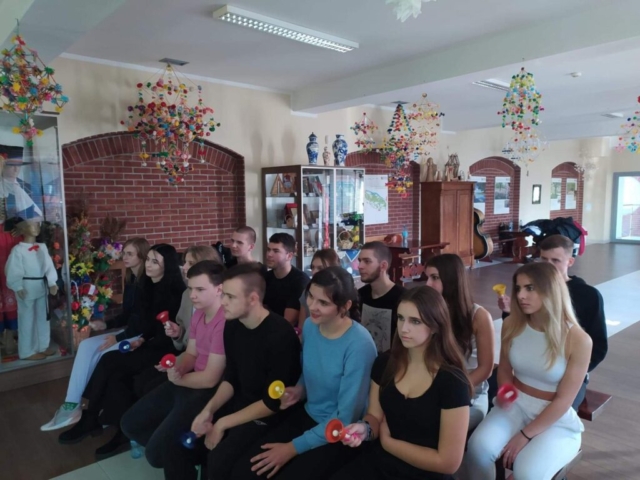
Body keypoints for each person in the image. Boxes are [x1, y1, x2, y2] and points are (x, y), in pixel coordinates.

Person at [228, 266, 377, 479]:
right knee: (244, 470)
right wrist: (299, 390)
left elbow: (346, 417)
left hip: (338, 432)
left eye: (323, 303)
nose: (312, 306)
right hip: (308, 415)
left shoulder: (359, 345)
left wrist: (291, 448)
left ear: (345, 306)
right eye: (311, 297)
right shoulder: (310, 326)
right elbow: (310, 372)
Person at [58, 244, 185, 459]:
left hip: (165, 349)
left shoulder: (175, 291)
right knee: (116, 375)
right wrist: (140, 339)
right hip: (149, 342)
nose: (149, 264)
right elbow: (146, 323)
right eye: (149, 259)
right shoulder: (147, 285)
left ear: (168, 266)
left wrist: (139, 339)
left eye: (155, 261)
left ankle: (91, 418)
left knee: (109, 360)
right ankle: (117, 427)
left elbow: (167, 331)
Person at [331, 286, 472, 480]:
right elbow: (374, 416)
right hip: (381, 463)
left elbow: (448, 462)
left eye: (415, 321)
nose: (404, 328)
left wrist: (389, 444)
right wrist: (364, 429)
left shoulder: (453, 382)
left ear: (435, 326)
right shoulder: (384, 363)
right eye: (400, 318)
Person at [467, 262, 592, 480]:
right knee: (478, 449)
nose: (521, 295)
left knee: (527, 472)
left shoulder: (578, 339)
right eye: (518, 288)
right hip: (516, 404)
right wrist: (506, 394)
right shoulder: (512, 325)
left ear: (551, 290)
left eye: (530, 288)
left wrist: (525, 435)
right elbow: (505, 370)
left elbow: (564, 400)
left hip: (555, 416)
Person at [186, 263, 301, 480]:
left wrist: (222, 423)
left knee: (219, 460)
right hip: (241, 402)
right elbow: (231, 376)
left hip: (269, 414)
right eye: (223, 294)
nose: (223, 302)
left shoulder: (280, 336)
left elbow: (272, 402)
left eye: (230, 297)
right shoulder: (233, 324)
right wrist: (208, 410)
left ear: (253, 299)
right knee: (188, 443)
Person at [121, 260, 227, 480]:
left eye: (200, 289)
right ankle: (184, 452)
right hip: (189, 381)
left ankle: (194, 454)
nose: (192, 295)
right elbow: (191, 354)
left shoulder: (224, 320)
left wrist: (178, 379)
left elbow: (210, 379)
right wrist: (179, 369)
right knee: (130, 424)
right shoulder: (199, 314)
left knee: (156, 455)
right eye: (191, 288)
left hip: (208, 391)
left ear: (219, 289)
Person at [41, 238, 150, 431]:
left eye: (130, 254)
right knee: (85, 345)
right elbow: (127, 315)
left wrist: (117, 337)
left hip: (141, 335)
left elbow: (143, 321)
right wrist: (106, 324)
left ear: (142, 256)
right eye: (124, 253)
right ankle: (71, 404)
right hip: (128, 331)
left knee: (102, 352)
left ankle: (96, 410)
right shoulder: (131, 280)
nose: (124, 257)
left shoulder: (148, 283)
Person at [497, 234, 607, 409]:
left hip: (567, 372)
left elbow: (598, 345)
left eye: (555, 260)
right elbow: (519, 330)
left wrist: (573, 371)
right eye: (544, 259)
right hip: (532, 368)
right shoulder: (529, 289)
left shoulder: (588, 295)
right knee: (499, 402)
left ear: (570, 262)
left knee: (557, 411)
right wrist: (509, 312)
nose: (548, 266)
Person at [425, 254, 494, 430]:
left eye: (435, 278)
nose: (428, 284)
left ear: (452, 280)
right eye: (427, 277)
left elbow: (485, 368)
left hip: (470, 392)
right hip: (433, 387)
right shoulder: (430, 312)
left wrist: (454, 391)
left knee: (436, 426)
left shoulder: (479, 316)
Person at [357, 241, 405, 353]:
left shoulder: (403, 298)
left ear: (383, 266)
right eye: (360, 261)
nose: (360, 266)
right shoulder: (360, 294)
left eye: (367, 261)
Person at [263, 233, 309, 324]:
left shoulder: (300, 281)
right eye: (268, 250)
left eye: (276, 251)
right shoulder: (266, 277)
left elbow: (288, 321)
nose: (269, 254)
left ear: (289, 256)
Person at [297, 248, 340, 332]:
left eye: (320, 268)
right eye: (313, 267)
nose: (314, 272)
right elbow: (301, 326)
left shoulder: (340, 292)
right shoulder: (307, 291)